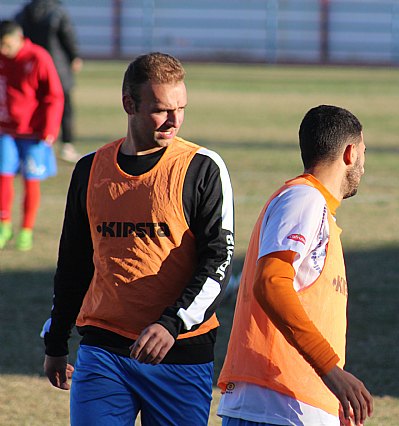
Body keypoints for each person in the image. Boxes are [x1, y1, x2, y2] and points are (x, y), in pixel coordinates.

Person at [42, 52, 235, 425]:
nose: (174, 120)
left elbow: (218, 262)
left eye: (181, 108)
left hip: (179, 354)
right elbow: (74, 263)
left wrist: (171, 323)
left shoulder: (202, 168)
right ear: (129, 104)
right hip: (103, 349)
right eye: (162, 109)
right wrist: (56, 341)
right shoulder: (90, 169)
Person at [217, 105, 374, 426]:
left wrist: (330, 398)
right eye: (364, 152)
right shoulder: (305, 199)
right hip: (276, 407)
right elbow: (271, 284)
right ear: (350, 153)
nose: (364, 164)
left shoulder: (314, 207)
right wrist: (331, 369)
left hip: (294, 405)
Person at [0, 20, 63, 251]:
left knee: (31, 181)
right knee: (3, 176)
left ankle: (26, 229)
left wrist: (50, 129)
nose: (3, 51)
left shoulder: (38, 58)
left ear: (19, 38)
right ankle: (4, 225)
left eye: (7, 45)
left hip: (33, 133)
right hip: (5, 130)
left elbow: (54, 96)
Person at [16, 0, 83, 163]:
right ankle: (67, 145)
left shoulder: (25, 11)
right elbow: (68, 35)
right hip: (57, 67)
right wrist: (74, 56)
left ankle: (40, 141)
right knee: (64, 107)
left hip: (31, 68)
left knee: (36, 106)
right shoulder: (58, 11)